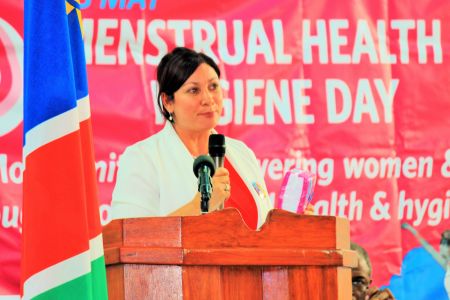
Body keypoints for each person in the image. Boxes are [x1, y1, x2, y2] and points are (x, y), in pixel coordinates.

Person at [111, 47, 273, 229]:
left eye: (213, 87)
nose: (208, 99)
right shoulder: (142, 158)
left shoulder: (242, 153)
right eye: (194, 90)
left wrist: (296, 223)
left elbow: (264, 230)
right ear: (168, 101)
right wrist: (199, 206)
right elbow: (127, 235)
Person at [402, 224, 450, 298]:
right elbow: (425, 245)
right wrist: (411, 229)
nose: (441, 246)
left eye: (445, 243)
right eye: (442, 242)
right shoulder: (444, 262)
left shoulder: (444, 263)